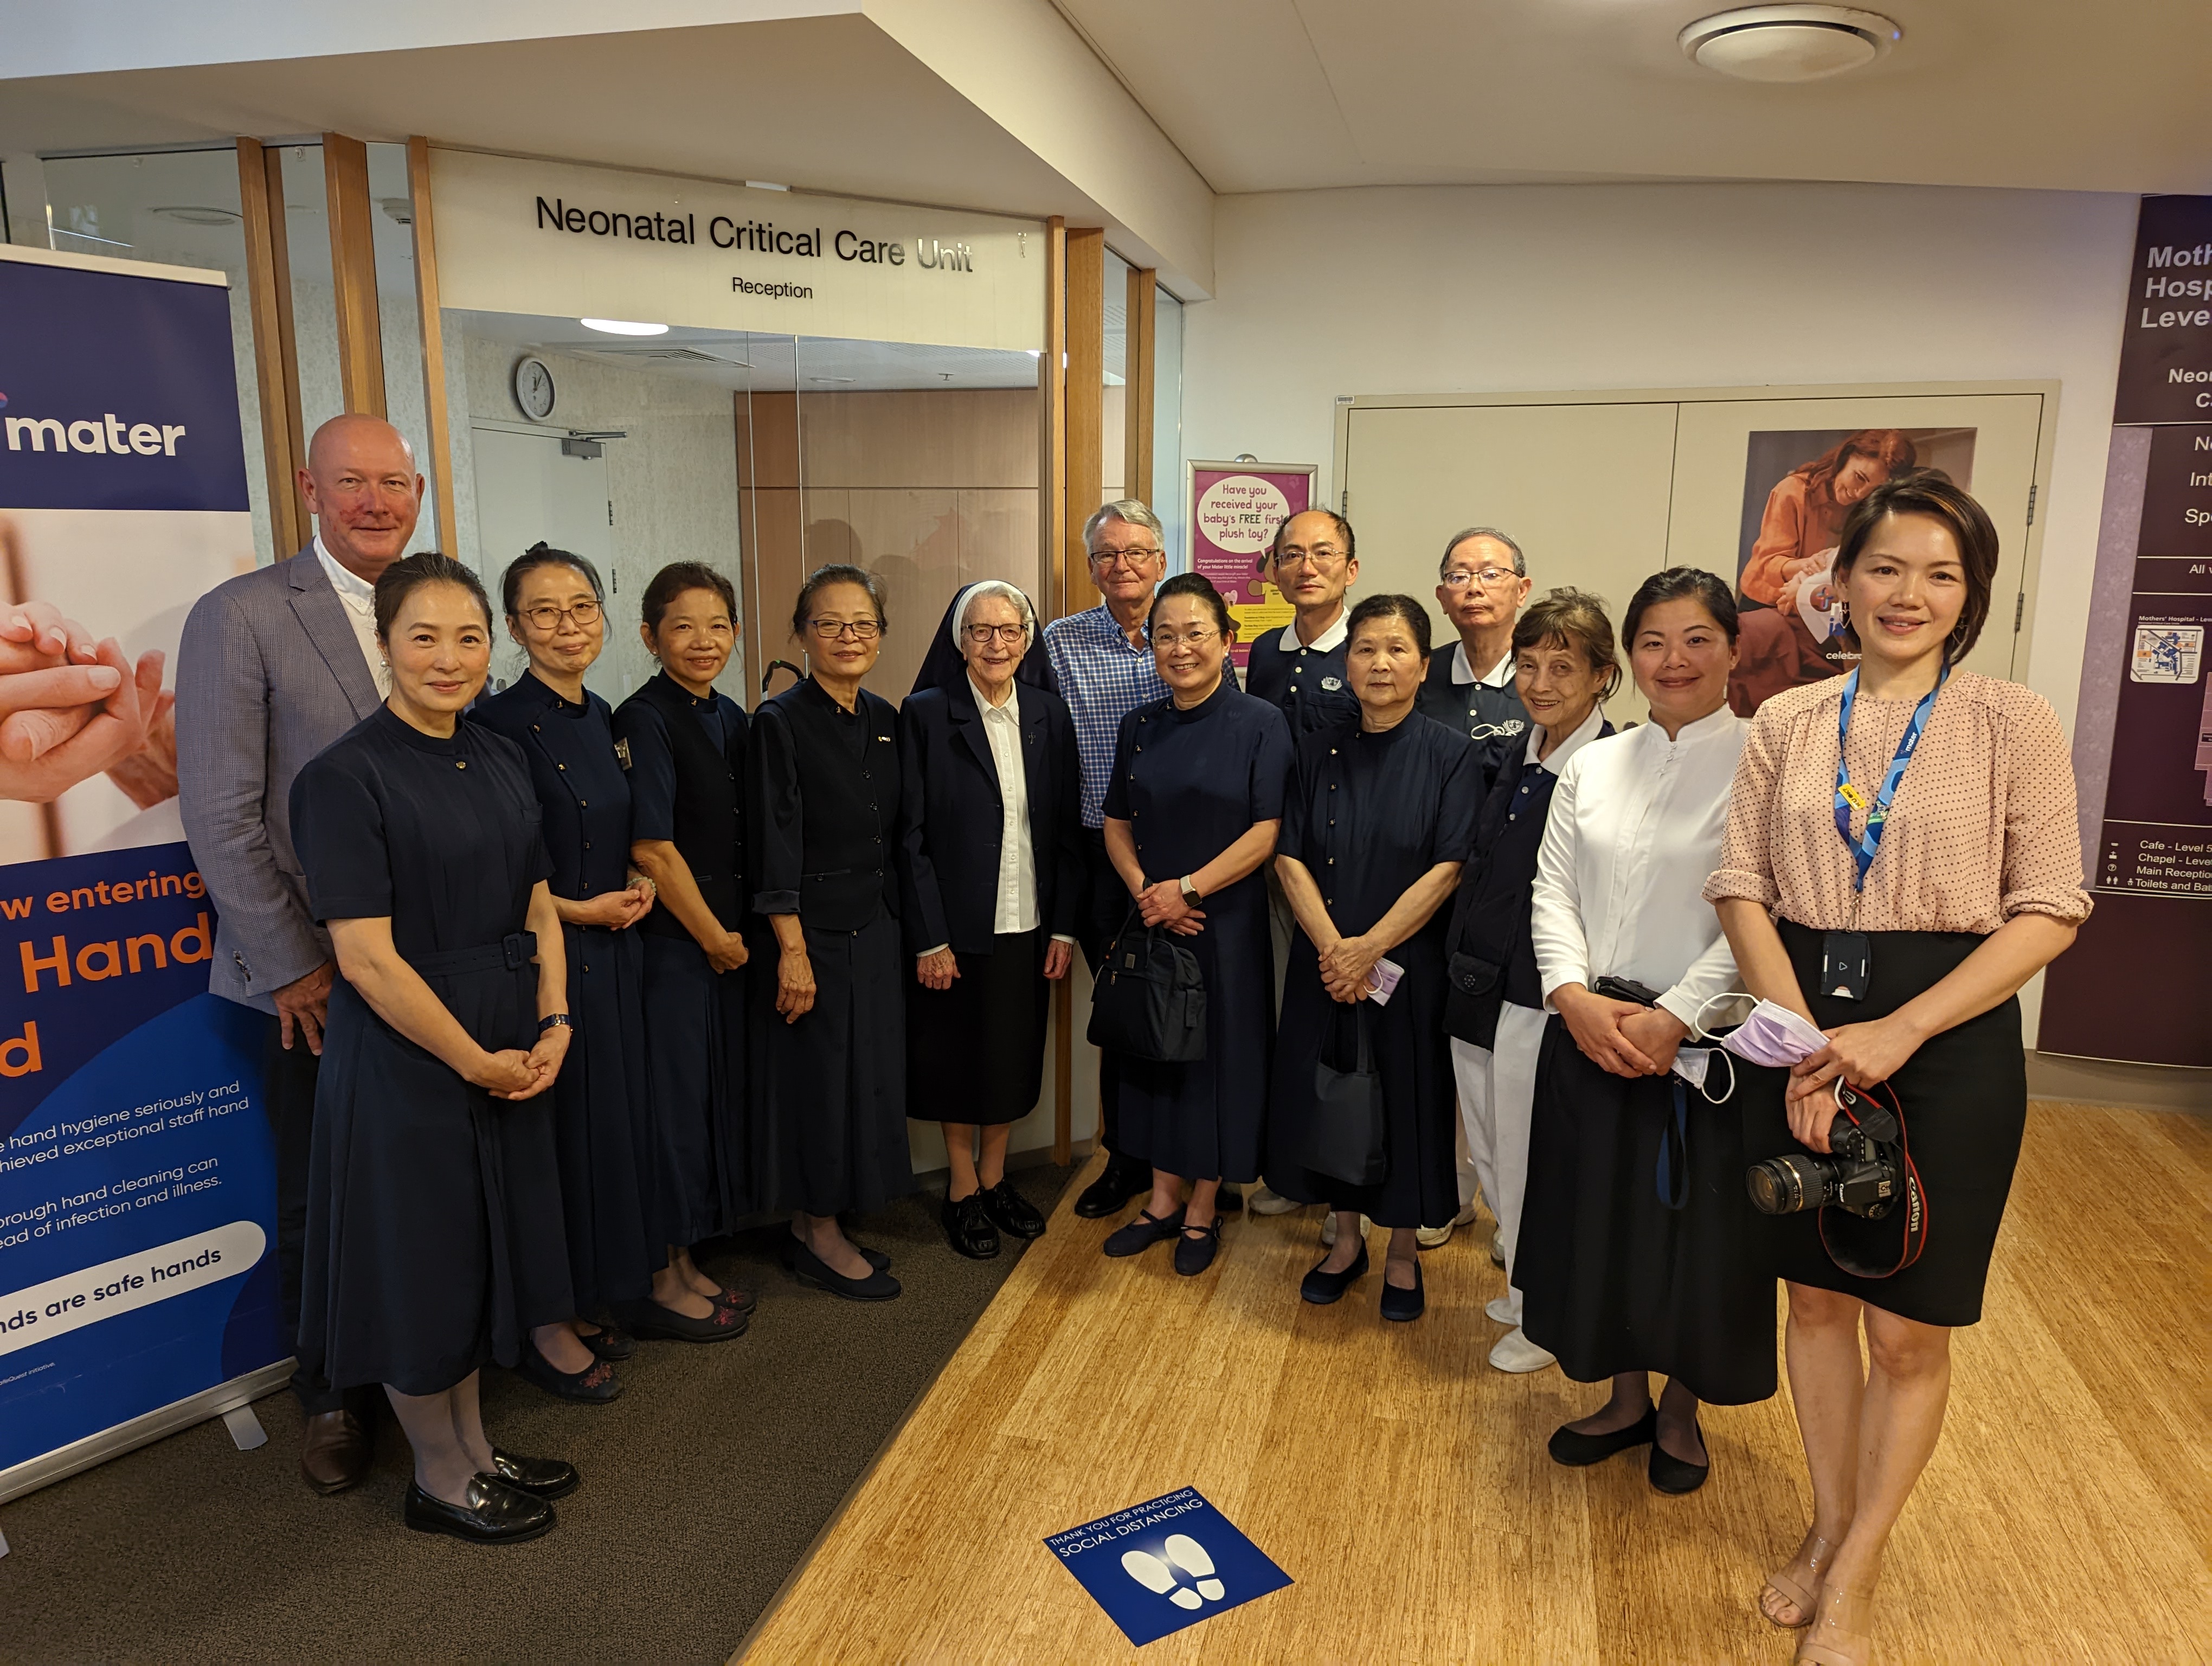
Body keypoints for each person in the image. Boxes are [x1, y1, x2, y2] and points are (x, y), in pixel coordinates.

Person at [1707, 476, 2088, 1666]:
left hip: (1948, 1039)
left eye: (1940, 574)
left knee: (1911, 1329)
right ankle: (1826, 1529)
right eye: (1885, 568)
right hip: (1802, 1023)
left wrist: (1899, 1032)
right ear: (1842, 580)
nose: (1908, 594)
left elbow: (2050, 908)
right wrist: (1807, 1035)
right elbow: (1741, 887)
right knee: (1815, 1299)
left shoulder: (2009, 721)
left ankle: (1860, 1572)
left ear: (1968, 594)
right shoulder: (1785, 723)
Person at [290, 553, 579, 1543]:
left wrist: (556, 1019)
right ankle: (439, 1476)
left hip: (507, 1034)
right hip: (413, 1056)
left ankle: (476, 1445)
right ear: (383, 646)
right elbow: (366, 960)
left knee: (477, 1256)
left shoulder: (497, 752)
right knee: (424, 1265)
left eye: (468, 637)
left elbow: (539, 897)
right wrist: (473, 1058)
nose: (449, 658)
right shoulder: (341, 778)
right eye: (424, 636)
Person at [176, 413, 423, 1494]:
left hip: (432, 967)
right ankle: (330, 1395)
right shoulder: (241, 616)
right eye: (353, 482)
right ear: (308, 489)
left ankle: (426, 1371)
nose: (377, 501)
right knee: (322, 1193)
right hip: (315, 980)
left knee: (423, 1184)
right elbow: (221, 815)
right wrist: (292, 965)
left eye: (395, 483)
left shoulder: (436, 611)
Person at [1516, 567, 1759, 1497]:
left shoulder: (1759, 759)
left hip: (1700, 1047)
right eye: (1654, 641)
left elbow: (1757, 907)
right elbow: (1553, 891)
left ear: (1734, 650)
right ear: (1631, 659)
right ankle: (1623, 1397)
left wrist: (1675, 1016)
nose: (1675, 660)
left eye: (1698, 639)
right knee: (1602, 1224)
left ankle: (1684, 1410)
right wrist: (1571, 996)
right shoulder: (1592, 763)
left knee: (1694, 1236)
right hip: (1588, 1029)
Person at [470, 546, 658, 1395]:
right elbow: (507, 865)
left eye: (581, 606)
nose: (567, 625)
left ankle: (585, 1297)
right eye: (543, 612)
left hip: (616, 951)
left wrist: (637, 882)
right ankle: (546, 1323)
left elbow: (618, 831)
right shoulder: (498, 727)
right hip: (549, 958)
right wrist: (583, 909)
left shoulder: (603, 713)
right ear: (513, 627)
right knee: (550, 1145)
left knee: (602, 1132)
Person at [1265, 595, 1480, 1319]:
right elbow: (1287, 855)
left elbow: (1449, 866)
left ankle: (1402, 1254)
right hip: (1323, 958)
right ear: (1345, 663)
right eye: (1364, 649)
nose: (1379, 664)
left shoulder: (1452, 753)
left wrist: (1368, 950)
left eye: (1396, 650)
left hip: (1405, 965)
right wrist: (1333, 949)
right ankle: (1345, 1241)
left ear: (1424, 664)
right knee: (1329, 1093)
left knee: (1407, 1100)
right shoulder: (1315, 747)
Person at [1441, 588, 1618, 1372]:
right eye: (1531, 665)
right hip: (1476, 982)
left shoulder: (1610, 767)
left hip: (1538, 993)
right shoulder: (1518, 751)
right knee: (1488, 1147)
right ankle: (1520, 1287)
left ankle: (1546, 1317)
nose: (1541, 684)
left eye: (1564, 668)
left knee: (1530, 1157)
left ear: (1603, 676)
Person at [1097, 574, 1292, 1276]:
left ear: (1228, 640)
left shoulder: (1261, 723)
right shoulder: (1139, 726)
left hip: (1224, 923)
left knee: (1216, 1064)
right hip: (1151, 917)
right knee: (1151, 1057)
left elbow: (1267, 830)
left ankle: (1204, 1208)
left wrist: (1188, 888)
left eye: (1195, 633)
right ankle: (1160, 1199)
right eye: (1165, 635)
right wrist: (1147, 890)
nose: (1179, 648)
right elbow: (1117, 822)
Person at [898, 581, 1084, 1258]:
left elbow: (1064, 828)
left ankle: (998, 1179)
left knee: (1009, 1055)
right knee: (955, 1058)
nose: (996, 643)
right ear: (960, 640)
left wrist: (1063, 926)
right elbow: (909, 837)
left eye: (1009, 631)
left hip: (1027, 920)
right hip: (954, 927)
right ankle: (961, 1188)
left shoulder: (1047, 713)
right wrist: (930, 938)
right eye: (980, 631)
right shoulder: (924, 713)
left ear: (1028, 639)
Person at [751, 564, 912, 1300]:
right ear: (801, 633)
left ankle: (831, 1219)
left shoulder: (885, 716)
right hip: (810, 935)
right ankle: (815, 1232)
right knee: (819, 1086)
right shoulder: (779, 722)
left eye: (863, 625)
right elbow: (774, 841)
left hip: (873, 928)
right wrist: (791, 951)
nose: (848, 637)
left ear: (880, 633)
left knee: (865, 1080)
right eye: (829, 624)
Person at [610, 563, 758, 1342]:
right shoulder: (646, 717)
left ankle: (689, 1259)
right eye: (683, 627)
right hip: (678, 950)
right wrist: (715, 938)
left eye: (717, 626)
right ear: (650, 636)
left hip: (722, 947)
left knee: (704, 1107)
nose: (703, 641)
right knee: (669, 1114)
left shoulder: (728, 714)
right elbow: (654, 849)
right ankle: (660, 1278)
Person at [1041, 501, 1173, 1223]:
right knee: (1124, 1013)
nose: (1121, 566)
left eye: (1136, 552)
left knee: (1186, 1008)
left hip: (1185, 861)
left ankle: (1186, 1160)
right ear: (1091, 567)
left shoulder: (1186, 625)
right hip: (1099, 855)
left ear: (1160, 559)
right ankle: (1124, 1157)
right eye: (1106, 555)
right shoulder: (1060, 642)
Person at [1417, 526, 1535, 781]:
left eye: (1491, 574)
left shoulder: (1545, 676)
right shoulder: (1420, 673)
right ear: (1443, 599)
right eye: (1459, 577)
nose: (1474, 588)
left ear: (1522, 591)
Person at [1242, 508, 1362, 738]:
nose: (1307, 569)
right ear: (1276, 575)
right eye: (1293, 556)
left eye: (1324, 553)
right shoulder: (1264, 648)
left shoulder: (1367, 652)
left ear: (1351, 571)